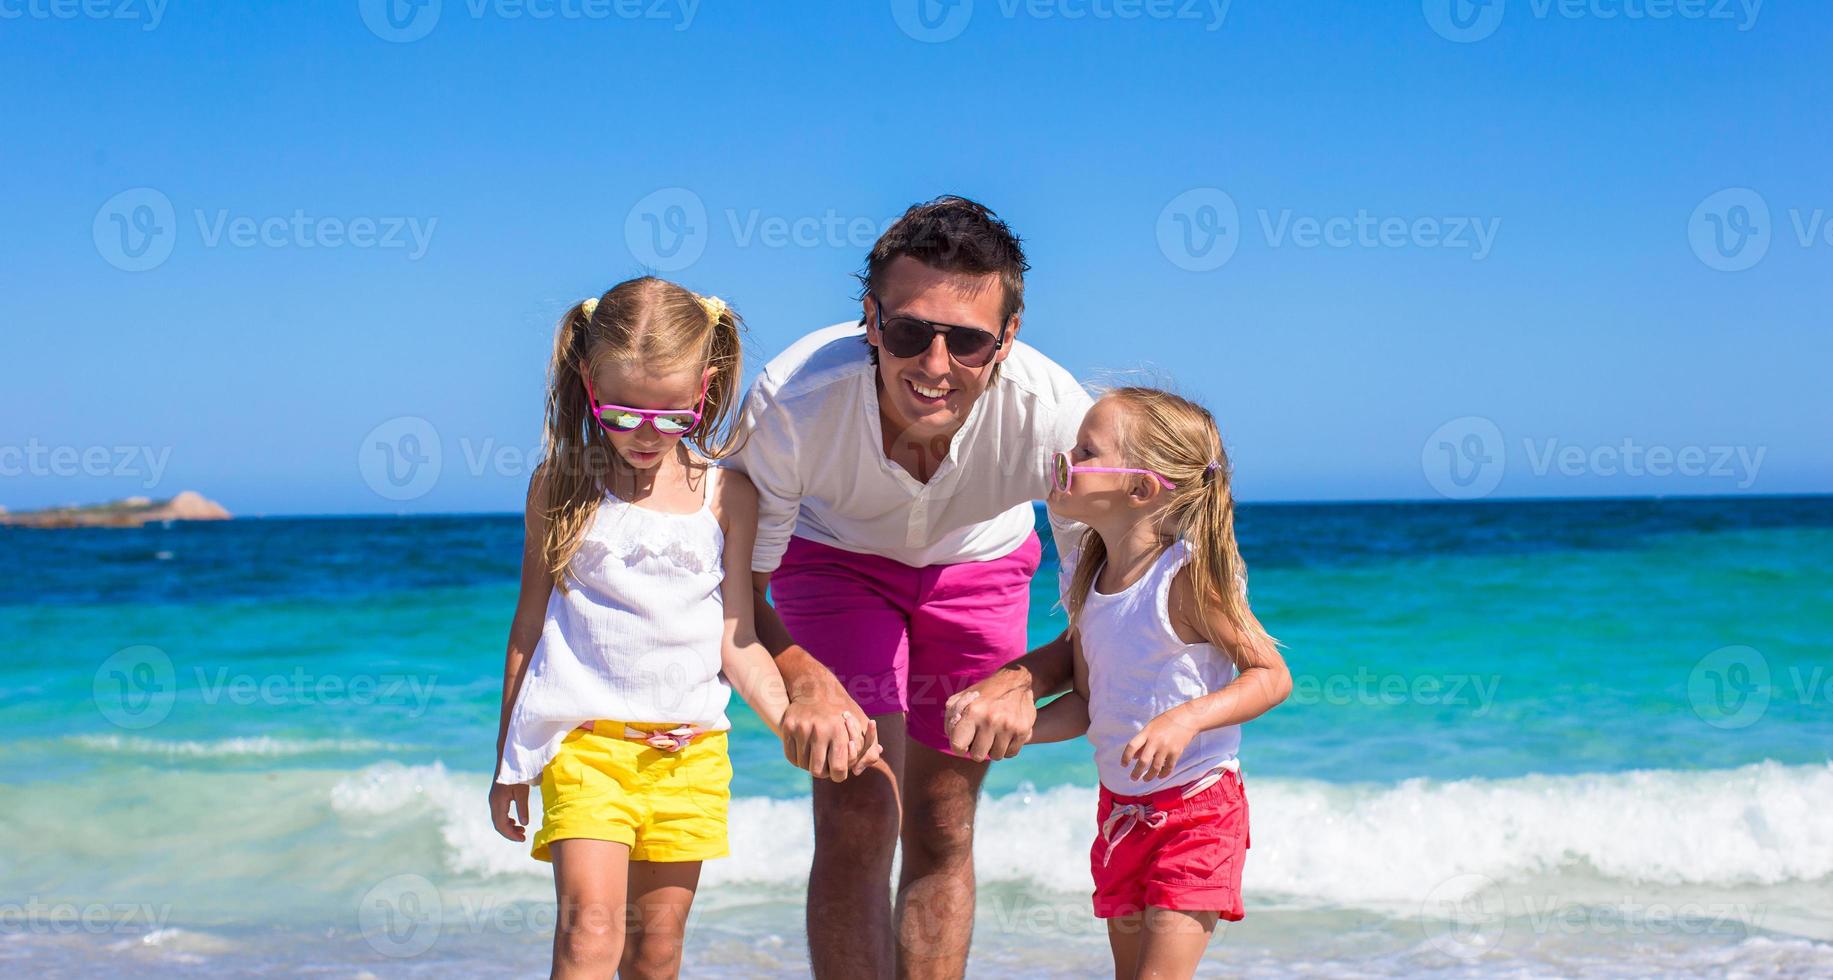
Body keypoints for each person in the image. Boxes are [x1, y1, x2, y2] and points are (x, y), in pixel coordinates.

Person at [728, 196, 1094, 977]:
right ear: (870, 319)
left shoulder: (1058, 417)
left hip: (981, 566)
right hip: (832, 562)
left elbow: (1105, 604)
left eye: (966, 341)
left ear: (1006, 339)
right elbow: (739, 595)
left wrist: (1027, 678)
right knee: (857, 808)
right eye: (907, 332)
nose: (933, 366)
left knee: (940, 818)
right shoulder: (791, 403)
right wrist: (802, 678)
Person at [486, 277, 872, 978]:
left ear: (706, 387)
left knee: (657, 954)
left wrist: (791, 719)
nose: (645, 434)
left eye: (671, 416)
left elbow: (738, 639)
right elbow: (527, 627)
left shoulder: (728, 494)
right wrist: (508, 762)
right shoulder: (561, 483)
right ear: (586, 381)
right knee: (587, 940)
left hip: (689, 756)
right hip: (587, 748)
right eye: (622, 412)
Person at [1023, 387, 1292, 978]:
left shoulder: (1187, 579)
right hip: (1121, 815)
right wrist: (1020, 731)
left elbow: (1271, 676)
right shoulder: (1088, 581)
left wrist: (1186, 717)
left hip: (1199, 811)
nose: (1064, 459)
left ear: (1140, 489)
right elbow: (1088, 706)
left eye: (1085, 451)